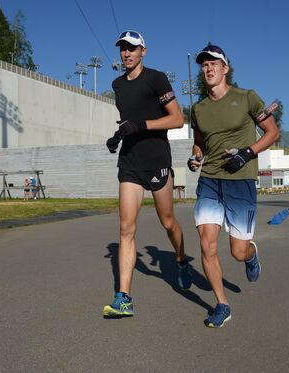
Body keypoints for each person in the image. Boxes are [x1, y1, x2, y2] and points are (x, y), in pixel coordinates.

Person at [187, 44, 279, 328]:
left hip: (240, 182)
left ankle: (250, 255)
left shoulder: (247, 97)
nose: (209, 68)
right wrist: (195, 157)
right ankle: (222, 304)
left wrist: (247, 152)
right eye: (204, 64)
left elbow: (272, 132)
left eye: (214, 63)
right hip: (210, 182)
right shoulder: (198, 109)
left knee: (237, 252)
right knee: (206, 244)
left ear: (226, 68)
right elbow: (200, 143)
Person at [102, 30, 191, 318]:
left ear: (144, 51)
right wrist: (118, 136)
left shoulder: (156, 78)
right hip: (129, 163)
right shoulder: (117, 84)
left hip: (156, 160)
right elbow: (129, 121)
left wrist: (140, 125)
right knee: (126, 229)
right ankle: (124, 298)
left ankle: (180, 259)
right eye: (122, 49)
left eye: (132, 48)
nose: (126, 53)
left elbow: (178, 119)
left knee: (167, 221)